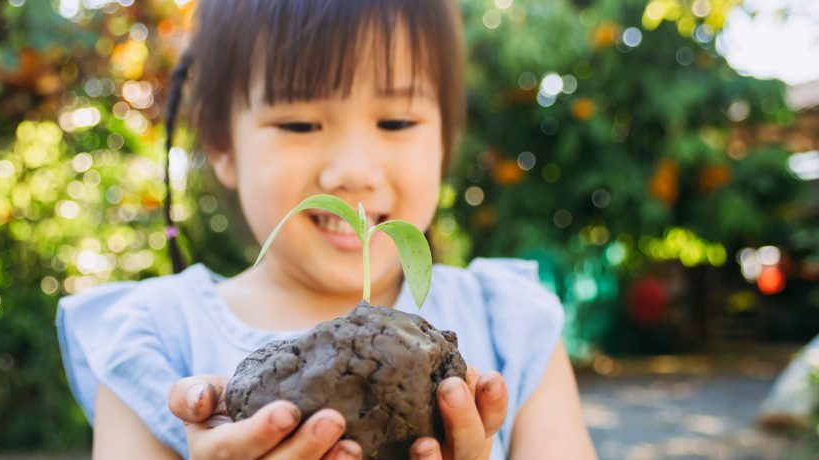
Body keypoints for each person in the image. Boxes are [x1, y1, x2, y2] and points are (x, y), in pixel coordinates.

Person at [56, 0, 595, 458]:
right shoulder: (151, 343)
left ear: (446, 139)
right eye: (299, 124)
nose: (353, 170)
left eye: (397, 122)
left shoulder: (511, 326)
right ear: (222, 146)